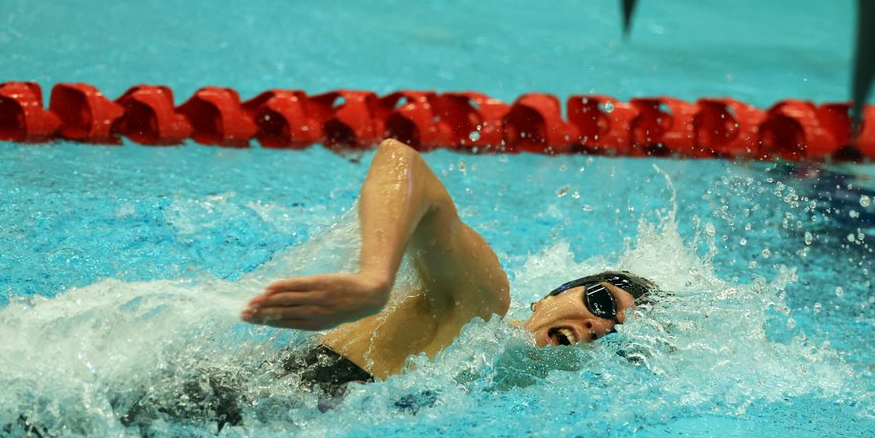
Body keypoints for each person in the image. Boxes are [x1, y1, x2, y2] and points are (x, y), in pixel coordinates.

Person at [240, 138, 658, 393]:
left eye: (616, 333)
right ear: (554, 294)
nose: (601, 327)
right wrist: (374, 280)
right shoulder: (477, 306)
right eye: (602, 304)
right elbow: (402, 161)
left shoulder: (514, 390)